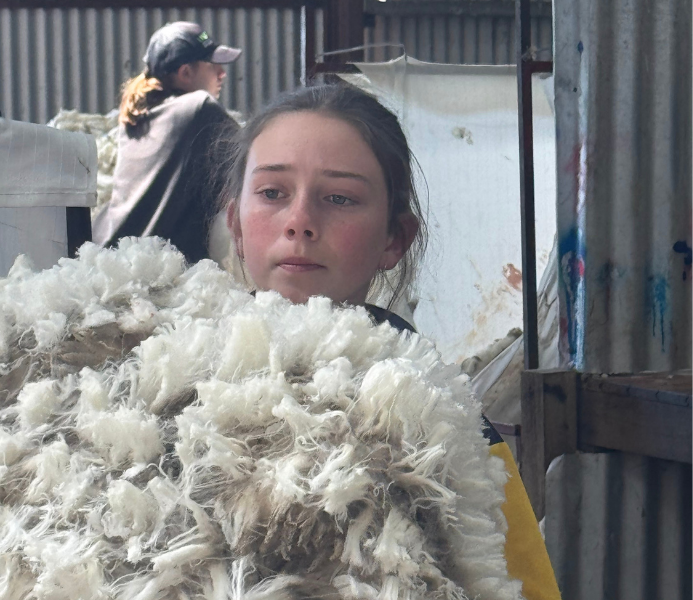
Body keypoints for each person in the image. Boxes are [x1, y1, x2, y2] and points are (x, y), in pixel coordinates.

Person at [220, 83, 562, 600]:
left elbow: (518, 584)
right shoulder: (161, 390)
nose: (299, 222)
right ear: (236, 225)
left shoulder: (443, 421)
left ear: (393, 239)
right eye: (272, 193)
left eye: (339, 198)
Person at [92, 21, 240, 263]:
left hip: (108, 256)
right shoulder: (199, 108)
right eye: (212, 64)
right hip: (162, 272)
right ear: (185, 73)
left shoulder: (136, 116)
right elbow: (253, 164)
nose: (221, 73)